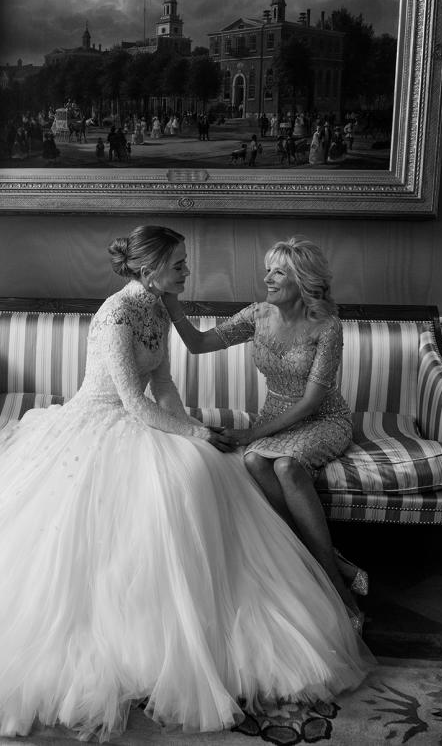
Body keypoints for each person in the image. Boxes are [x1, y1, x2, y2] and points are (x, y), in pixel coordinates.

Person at [0, 226, 373, 740]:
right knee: (182, 473)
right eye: (180, 265)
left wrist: (190, 426)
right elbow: (133, 401)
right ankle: (133, 629)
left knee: (199, 475)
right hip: (100, 422)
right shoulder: (116, 312)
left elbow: (163, 385)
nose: (189, 272)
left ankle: (244, 600)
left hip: (162, 418)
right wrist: (192, 435)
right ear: (153, 267)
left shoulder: (162, 305)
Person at [162, 236, 368, 621]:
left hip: (324, 418)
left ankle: (340, 593)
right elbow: (199, 344)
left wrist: (249, 434)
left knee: (287, 466)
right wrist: (172, 304)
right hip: (274, 414)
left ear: (304, 281)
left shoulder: (327, 327)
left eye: (279, 271)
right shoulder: (257, 315)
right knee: (255, 463)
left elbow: (310, 402)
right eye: (267, 270)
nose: (268, 278)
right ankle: (330, 564)